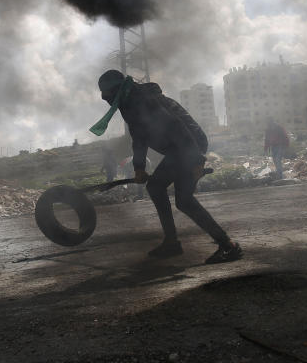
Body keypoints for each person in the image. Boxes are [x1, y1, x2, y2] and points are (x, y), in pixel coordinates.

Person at [90, 69, 242, 264]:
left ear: (116, 91)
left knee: (177, 197)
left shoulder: (142, 100)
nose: (107, 100)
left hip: (188, 145)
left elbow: (178, 127)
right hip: (179, 148)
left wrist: (196, 159)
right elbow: (139, 138)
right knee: (171, 194)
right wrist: (139, 167)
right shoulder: (130, 102)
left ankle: (226, 246)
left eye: (108, 96)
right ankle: (177, 243)